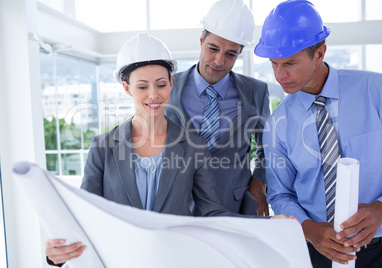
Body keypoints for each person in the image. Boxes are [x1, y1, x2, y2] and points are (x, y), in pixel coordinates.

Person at [45, 33, 289, 266]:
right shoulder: (103, 147)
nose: (153, 95)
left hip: (174, 260)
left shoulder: (194, 146)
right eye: (142, 87)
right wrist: (57, 252)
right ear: (127, 88)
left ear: (171, 83)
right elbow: (85, 214)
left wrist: (267, 225)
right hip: (120, 260)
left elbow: (212, 213)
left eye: (160, 84)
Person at [255, 1, 382, 267]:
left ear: (320, 53)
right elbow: (281, 195)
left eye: (290, 63)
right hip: (319, 252)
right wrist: (310, 230)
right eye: (273, 63)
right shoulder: (278, 124)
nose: (280, 75)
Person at [165, 0, 271, 216]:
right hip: (176, 204)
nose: (219, 61)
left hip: (235, 204)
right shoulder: (167, 86)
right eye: (213, 48)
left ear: (240, 52)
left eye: (231, 54)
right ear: (202, 39)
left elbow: (267, 149)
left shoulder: (256, 91)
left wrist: (259, 183)